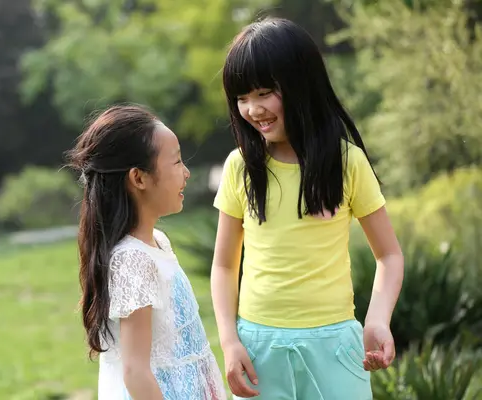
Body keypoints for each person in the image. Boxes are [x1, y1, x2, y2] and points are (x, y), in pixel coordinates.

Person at [211, 18, 404, 399]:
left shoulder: (347, 163)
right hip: (258, 348)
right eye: (242, 97)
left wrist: (378, 319)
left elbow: (390, 255)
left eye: (264, 92)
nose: (252, 109)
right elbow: (224, 264)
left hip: (335, 346)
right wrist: (230, 340)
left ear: (302, 86)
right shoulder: (240, 166)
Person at [67, 105, 227, 400]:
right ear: (138, 178)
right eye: (177, 162)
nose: (187, 173)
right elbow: (135, 372)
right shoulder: (133, 261)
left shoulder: (157, 243)